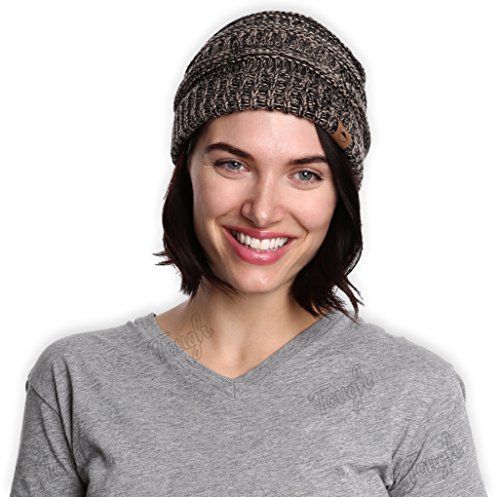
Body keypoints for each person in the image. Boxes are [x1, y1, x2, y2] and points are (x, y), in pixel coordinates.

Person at [10, 10, 488, 497]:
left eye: (305, 174)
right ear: (187, 173)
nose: (262, 211)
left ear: (338, 195)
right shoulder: (77, 378)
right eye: (233, 164)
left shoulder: (414, 392)